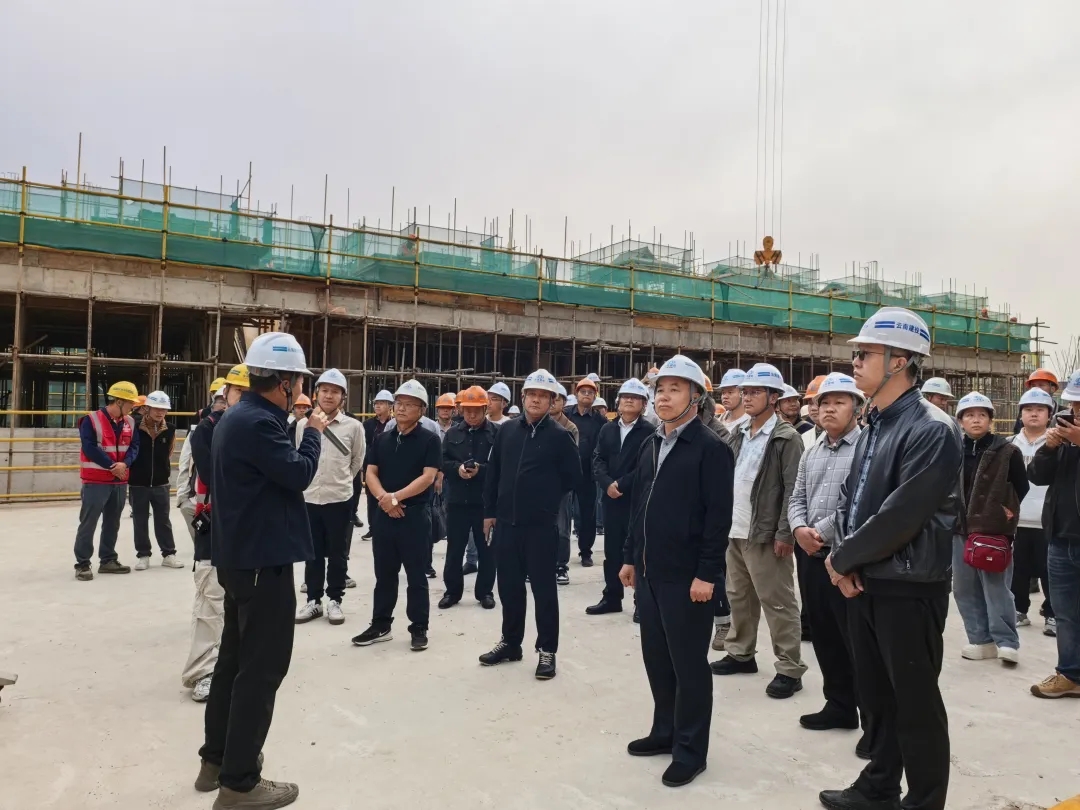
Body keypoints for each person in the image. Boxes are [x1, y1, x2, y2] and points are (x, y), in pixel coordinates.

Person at [819, 306, 962, 810]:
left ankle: (923, 801)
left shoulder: (933, 429)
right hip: (867, 579)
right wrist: (844, 559)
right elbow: (850, 499)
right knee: (876, 696)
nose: (855, 362)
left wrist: (841, 561)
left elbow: (902, 515)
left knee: (915, 704)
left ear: (900, 361)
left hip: (908, 585)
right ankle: (879, 786)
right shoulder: (874, 424)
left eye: (865, 354)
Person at [196, 333, 327, 809]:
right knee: (261, 670)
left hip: (240, 559)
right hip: (260, 562)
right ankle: (240, 783)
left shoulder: (239, 416)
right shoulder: (258, 423)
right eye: (300, 382)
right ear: (285, 382)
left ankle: (216, 761)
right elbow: (298, 473)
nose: (302, 390)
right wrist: (312, 432)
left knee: (233, 663)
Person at [619, 355, 734, 788]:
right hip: (651, 573)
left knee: (689, 666)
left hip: (688, 578)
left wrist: (708, 574)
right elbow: (639, 507)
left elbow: (718, 518)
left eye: (675, 389)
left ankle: (690, 750)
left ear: (696, 396)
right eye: (660, 389)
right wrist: (631, 557)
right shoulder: (651, 443)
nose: (663, 397)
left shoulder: (711, 448)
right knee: (657, 658)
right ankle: (664, 730)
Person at [710, 363, 806, 699]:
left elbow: (793, 488)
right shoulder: (739, 432)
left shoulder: (786, 438)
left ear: (774, 397)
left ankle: (789, 668)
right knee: (739, 596)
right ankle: (741, 653)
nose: (747, 397)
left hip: (765, 533)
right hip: (736, 529)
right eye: (745, 392)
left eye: (755, 392)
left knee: (777, 602)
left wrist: (785, 533)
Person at [480, 369, 581, 679]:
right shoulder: (507, 431)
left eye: (543, 396)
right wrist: (489, 512)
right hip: (506, 525)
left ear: (552, 401)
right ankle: (511, 643)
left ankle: (547, 649)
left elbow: (573, 478)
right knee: (509, 587)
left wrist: (545, 501)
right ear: (522, 397)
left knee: (544, 590)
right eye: (531, 394)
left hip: (540, 527)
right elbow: (494, 473)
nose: (536, 400)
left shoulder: (560, 437)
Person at [787, 373, 867, 751]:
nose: (829, 408)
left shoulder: (866, 449)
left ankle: (873, 722)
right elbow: (797, 496)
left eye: (839, 401)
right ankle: (839, 706)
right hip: (811, 557)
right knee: (823, 634)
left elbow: (860, 503)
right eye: (824, 402)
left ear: (857, 408)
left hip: (848, 557)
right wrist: (798, 528)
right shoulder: (812, 450)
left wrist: (817, 531)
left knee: (857, 640)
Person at [352, 380, 441, 651]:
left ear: (422, 410)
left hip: (414, 517)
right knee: (385, 575)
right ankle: (381, 624)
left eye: (409, 404)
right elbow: (370, 472)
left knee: (416, 576)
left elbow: (428, 477)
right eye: (399, 403)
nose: (401, 408)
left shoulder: (430, 440)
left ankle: (419, 627)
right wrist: (384, 499)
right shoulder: (382, 439)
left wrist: (395, 498)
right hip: (384, 516)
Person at [183, 367, 247, 703]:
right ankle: (202, 671)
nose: (244, 399)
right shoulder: (207, 430)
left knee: (241, 602)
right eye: (239, 392)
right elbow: (214, 475)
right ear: (226, 394)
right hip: (216, 523)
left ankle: (233, 664)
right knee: (210, 597)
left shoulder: (267, 427)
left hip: (250, 528)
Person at [952, 392, 1029, 665]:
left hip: (993, 530)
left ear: (990, 420)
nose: (976, 420)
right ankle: (980, 640)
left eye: (982, 415)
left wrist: (1003, 513)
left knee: (996, 587)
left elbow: (1021, 487)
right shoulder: (953, 449)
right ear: (960, 420)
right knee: (964, 587)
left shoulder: (1007, 451)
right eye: (970, 415)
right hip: (959, 528)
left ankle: (1007, 642)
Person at [294, 369, 366, 628]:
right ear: (316, 394)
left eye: (335, 392)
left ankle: (335, 599)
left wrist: (340, 479)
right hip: (310, 497)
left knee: (338, 554)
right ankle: (313, 600)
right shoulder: (302, 425)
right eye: (324, 390)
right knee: (311, 552)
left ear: (342, 397)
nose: (328, 395)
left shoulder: (354, 427)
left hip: (339, 498)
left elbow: (357, 461)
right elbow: (300, 455)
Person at [1026, 368, 1080, 700]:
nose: (1075, 411)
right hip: (1060, 538)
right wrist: (1048, 448)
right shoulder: (1064, 435)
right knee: (1066, 613)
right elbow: (1037, 475)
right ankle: (1070, 674)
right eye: (1073, 404)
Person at [587, 378, 652, 618]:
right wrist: (606, 484)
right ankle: (612, 596)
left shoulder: (649, 432)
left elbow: (646, 466)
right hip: (611, 499)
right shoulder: (608, 429)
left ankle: (640, 602)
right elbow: (597, 459)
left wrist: (621, 484)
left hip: (636, 500)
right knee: (612, 551)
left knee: (637, 551)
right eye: (625, 397)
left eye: (635, 398)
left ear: (643, 404)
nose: (629, 401)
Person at [439, 386, 499, 610]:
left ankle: (485, 592)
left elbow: (502, 466)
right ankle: (452, 592)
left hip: (485, 504)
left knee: (487, 550)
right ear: (461, 410)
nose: (471, 415)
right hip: (457, 502)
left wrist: (481, 470)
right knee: (454, 549)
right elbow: (442, 461)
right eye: (467, 410)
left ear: (485, 409)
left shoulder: (496, 434)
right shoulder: (452, 434)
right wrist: (458, 469)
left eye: (476, 410)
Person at [73, 381, 141, 580]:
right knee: (89, 523)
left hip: (119, 481)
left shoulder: (130, 422)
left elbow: (135, 446)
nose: (132, 407)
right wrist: (113, 466)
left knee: (112, 522)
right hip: (96, 481)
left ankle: (108, 559)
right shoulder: (91, 420)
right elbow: (89, 447)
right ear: (119, 401)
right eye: (130, 403)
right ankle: (83, 564)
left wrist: (125, 464)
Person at [1010, 388, 1056, 635]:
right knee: (1017, 570)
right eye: (1028, 409)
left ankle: (1052, 614)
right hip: (1017, 520)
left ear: (1050, 415)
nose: (1034, 414)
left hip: (1047, 521)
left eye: (1040, 409)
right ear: (1021, 414)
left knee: (1050, 572)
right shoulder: (1010, 444)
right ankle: (1019, 610)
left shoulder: (1057, 443)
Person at [127, 390, 182, 571]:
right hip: (138, 482)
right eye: (157, 409)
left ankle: (169, 554)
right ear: (147, 408)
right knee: (140, 521)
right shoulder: (134, 426)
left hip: (161, 483)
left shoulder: (170, 429)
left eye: (164, 409)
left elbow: (169, 453)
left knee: (163, 520)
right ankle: (143, 555)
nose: (160, 413)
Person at [568, 377, 608, 566]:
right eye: (583, 392)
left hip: (588, 473)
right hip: (566, 472)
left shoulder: (600, 420)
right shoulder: (566, 414)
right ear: (576, 394)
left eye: (590, 393)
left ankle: (586, 552)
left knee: (588, 515)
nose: (586, 395)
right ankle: (557, 554)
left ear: (595, 396)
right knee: (561, 513)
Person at [549, 383, 579, 586]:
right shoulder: (536, 424)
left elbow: (570, 459)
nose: (553, 403)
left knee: (561, 528)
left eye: (557, 399)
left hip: (560, 487)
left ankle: (561, 566)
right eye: (551, 399)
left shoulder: (569, 427)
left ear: (564, 403)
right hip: (538, 486)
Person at [360, 389, 395, 541]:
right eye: (376, 403)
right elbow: (363, 446)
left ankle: (385, 528)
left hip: (388, 467)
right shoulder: (368, 425)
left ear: (390, 406)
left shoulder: (394, 424)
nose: (377, 406)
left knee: (387, 496)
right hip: (371, 466)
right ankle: (373, 528)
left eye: (381, 403)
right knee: (371, 498)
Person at [1013, 368, 1061, 434]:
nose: (1036, 389)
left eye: (1041, 385)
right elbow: (1017, 431)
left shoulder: (1063, 413)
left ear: (1052, 389)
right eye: (1033, 386)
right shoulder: (1025, 409)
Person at [717, 369, 749, 434]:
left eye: (730, 392)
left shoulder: (749, 423)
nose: (725, 396)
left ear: (743, 393)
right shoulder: (719, 419)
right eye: (723, 392)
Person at [802, 375, 827, 451]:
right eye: (810, 403)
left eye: (817, 403)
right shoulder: (804, 437)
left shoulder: (842, 435)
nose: (813, 408)